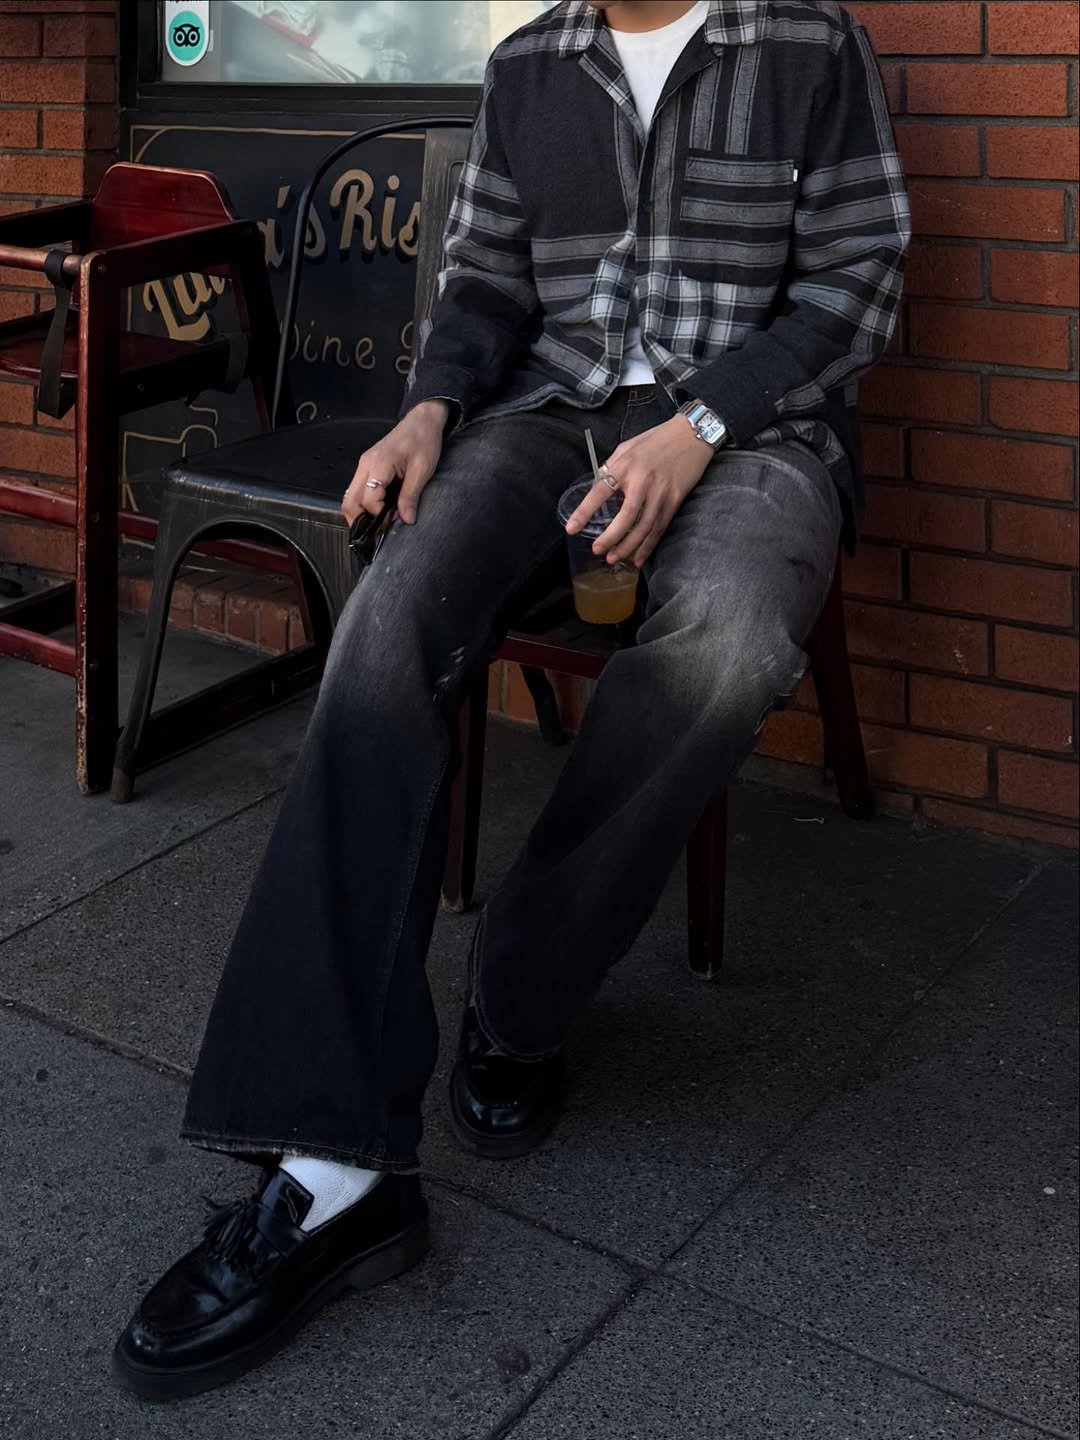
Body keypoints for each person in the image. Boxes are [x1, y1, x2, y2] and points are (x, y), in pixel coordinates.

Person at [113, 0, 909, 1400]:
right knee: (391, 619)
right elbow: (483, 278)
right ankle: (330, 1158)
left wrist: (701, 424)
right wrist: (427, 405)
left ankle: (520, 994)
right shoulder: (530, 63)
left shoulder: (807, 44)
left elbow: (858, 279)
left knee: (724, 638)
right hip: (548, 417)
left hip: (755, 437)